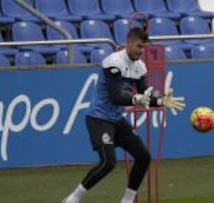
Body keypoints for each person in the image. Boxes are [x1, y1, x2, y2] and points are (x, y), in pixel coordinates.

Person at [62, 28, 185, 203]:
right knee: (108, 163)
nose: (141, 51)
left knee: (143, 157)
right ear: (128, 42)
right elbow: (116, 97)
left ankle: (127, 201)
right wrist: (137, 98)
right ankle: (72, 199)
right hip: (99, 119)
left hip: (117, 121)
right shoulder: (113, 62)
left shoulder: (140, 66)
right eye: (138, 46)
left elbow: (145, 93)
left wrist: (160, 101)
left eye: (144, 48)